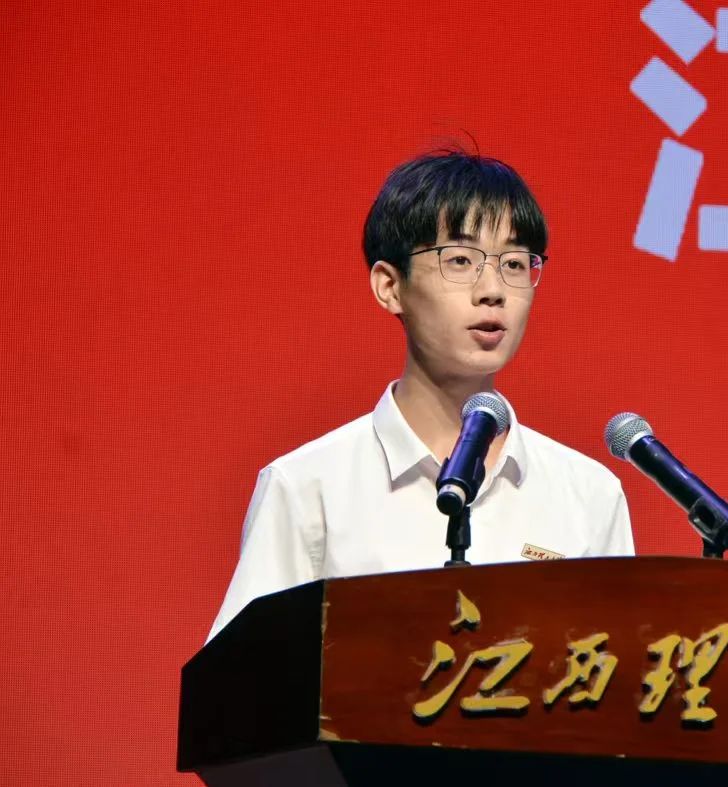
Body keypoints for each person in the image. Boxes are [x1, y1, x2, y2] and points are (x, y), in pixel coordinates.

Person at [206, 151, 634, 642]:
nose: (493, 290)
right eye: (460, 261)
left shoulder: (588, 494)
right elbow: (241, 678)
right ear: (390, 287)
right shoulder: (309, 487)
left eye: (515, 264)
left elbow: (617, 672)